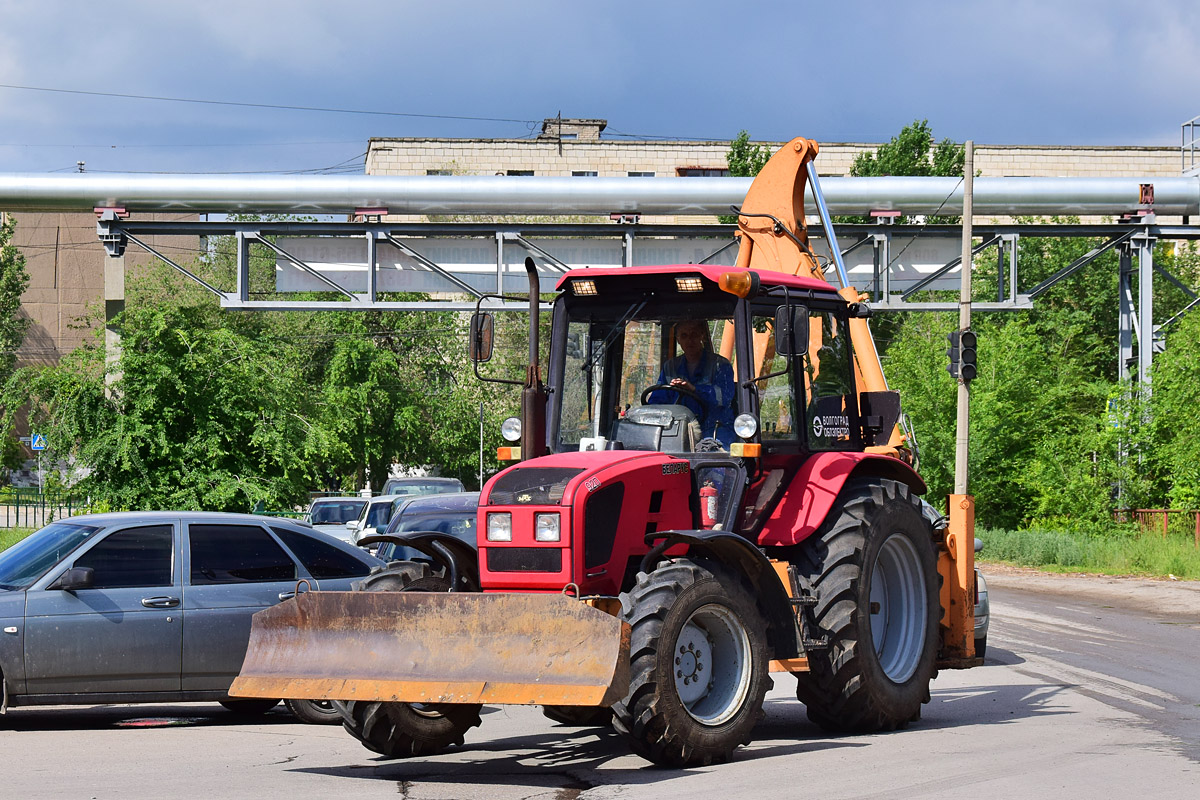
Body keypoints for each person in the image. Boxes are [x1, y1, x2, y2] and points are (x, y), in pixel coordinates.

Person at [647, 319, 736, 446]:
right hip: (678, 429)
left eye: (694, 335)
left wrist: (694, 389)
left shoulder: (719, 365)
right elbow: (658, 401)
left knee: (716, 458)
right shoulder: (670, 367)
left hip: (715, 428)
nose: (689, 340)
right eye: (684, 336)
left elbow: (724, 397)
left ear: (702, 336)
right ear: (678, 339)